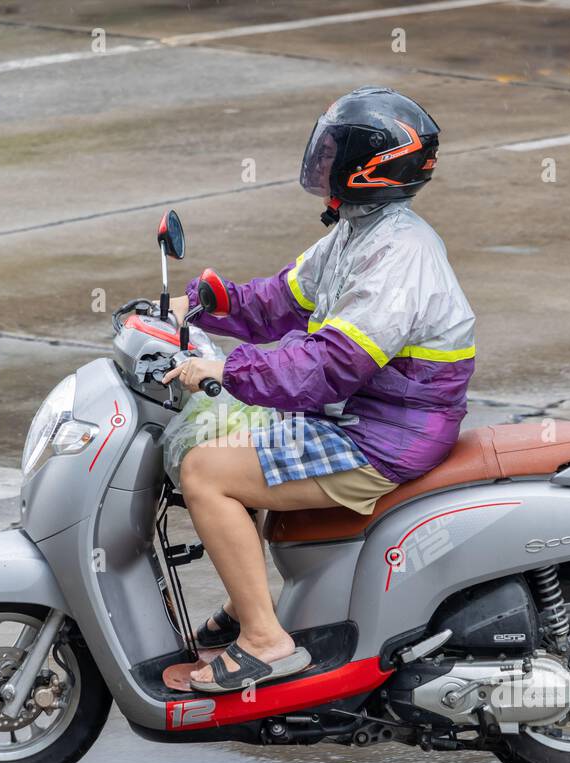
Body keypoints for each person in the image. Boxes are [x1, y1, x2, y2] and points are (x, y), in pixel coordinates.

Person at [162, 86, 476, 694]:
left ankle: (264, 642)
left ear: (369, 168)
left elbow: (332, 366)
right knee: (224, 431)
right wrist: (195, 306)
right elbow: (282, 299)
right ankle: (245, 603)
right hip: (362, 416)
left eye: (335, 150)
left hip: (381, 437)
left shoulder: (399, 254)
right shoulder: (361, 232)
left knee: (206, 472)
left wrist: (229, 372)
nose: (321, 159)